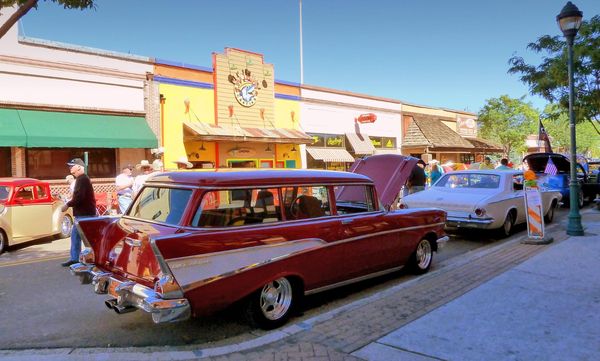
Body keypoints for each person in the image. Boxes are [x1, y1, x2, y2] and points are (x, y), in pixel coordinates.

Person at [60, 158, 96, 267]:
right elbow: (78, 196)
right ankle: (75, 258)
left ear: (79, 167)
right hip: (82, 214)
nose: (70, 168)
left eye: (72, 165)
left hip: (85, 214)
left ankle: (92, 258)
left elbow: (80, 197)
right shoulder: (81, 179)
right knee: (76, 236)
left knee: (86, 239)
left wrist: (67, 205)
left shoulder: (82, 179)